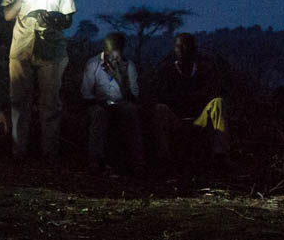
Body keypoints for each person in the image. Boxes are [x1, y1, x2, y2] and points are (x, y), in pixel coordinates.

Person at [2, 0, 75, 163]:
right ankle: (18, 152)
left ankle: (49, 153)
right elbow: (7, 15)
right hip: (22, 48)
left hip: (51, 51)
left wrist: (55, 19)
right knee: (19, 101)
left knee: (50, 103)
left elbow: (68, 19)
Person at [152, 33, 229, 166]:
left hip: (199, 118)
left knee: (218, 103)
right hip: (175, 118)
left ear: (193, 49)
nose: (181, 49)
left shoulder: (203, 70)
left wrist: (185, 97)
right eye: (177, 46)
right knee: (160, 109)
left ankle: (220, 154)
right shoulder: (166, 70)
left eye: (184, 45)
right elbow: (163, 96)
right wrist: (190, 97)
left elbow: (210, 93)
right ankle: (163, 157)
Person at [79, 32, 146, 175]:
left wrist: (120, 78)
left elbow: (133, 97)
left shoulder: (129, 66)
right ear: (106, 51)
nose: (115, 59)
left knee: (131, 111)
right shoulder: (93, 64)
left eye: (118, 55)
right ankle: (95, 160)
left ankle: (137, 162)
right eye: (111, 54)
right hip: (98, 104)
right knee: (98, 114)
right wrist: (100, 102)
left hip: (122, 104)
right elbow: (86, 94)